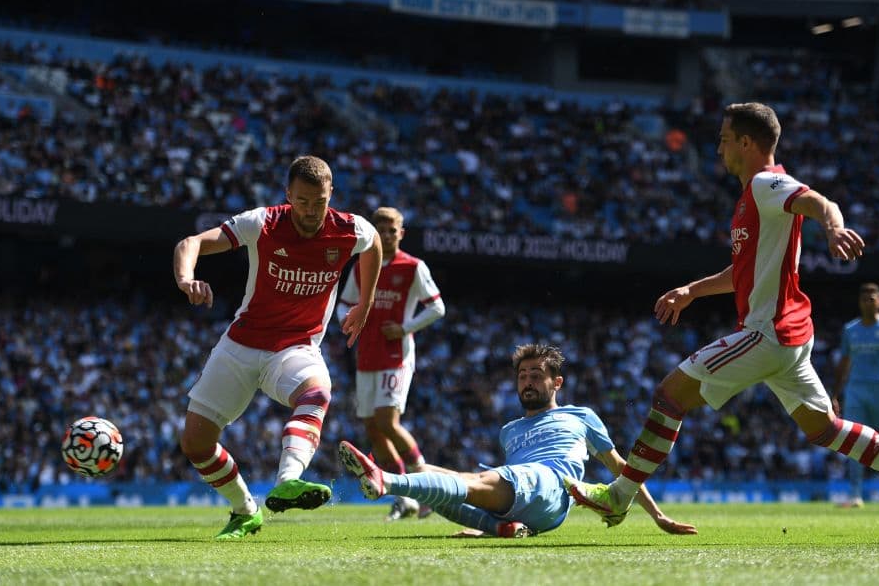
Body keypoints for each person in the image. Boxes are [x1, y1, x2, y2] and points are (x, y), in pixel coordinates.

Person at [566, 103, 879, 537]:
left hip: (767, 332)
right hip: (788, 336)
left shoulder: (768, 184)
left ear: (747, 143)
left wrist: (832, 227)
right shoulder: (755, 197)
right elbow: (744, 273)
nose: (718, 149)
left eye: (724, 140)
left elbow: (820, 202)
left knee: (669, 396)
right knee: (824, 429)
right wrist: (692, 291)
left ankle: (618, 496)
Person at [173, 155, 382, 540]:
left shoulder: (349, 229)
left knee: (318, 392)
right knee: (196, 442)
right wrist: (187, 280)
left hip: (296, 347)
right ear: (288, 195)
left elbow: (375, 245)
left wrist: (365, 303)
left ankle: (288, 481)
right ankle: (244, 511)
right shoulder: (263, 222)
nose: (311, 211)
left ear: (330, 194)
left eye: (319, 202)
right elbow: (191, 243)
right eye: (302, 201)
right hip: (241, 344)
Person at [339, 344, 697, 538]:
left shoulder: (580, 416)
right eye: (523, 375)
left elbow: (623, 469)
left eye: (536, 375)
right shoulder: (508, 430)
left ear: (557, 383)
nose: (527, 381)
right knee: (444, 490)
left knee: (462, 482)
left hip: (554, 486)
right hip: (528, 501)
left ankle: (385, 481)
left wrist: (658, 516)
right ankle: (500, 528)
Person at [337, 206, 446, 521]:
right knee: (373, 428)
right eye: (380, 230)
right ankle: (404, 497)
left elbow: (437, 307)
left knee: (387, 421)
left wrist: (404, 328)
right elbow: (345, 302)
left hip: (396, 355)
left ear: (401, 233)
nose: (385, 235)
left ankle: (427, 486)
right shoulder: (362, 265)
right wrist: (348, 320)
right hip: (366, 354)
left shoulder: (412, 267)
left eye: (391, 230)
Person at [831, 283, 879, 508]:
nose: (868, 302)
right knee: (855, 442)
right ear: (859, 302)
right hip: (855, 390)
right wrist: (835, 394)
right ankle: (856, 495)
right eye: (864, 298)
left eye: (872, 298)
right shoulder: (850, 330)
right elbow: (844, 363)